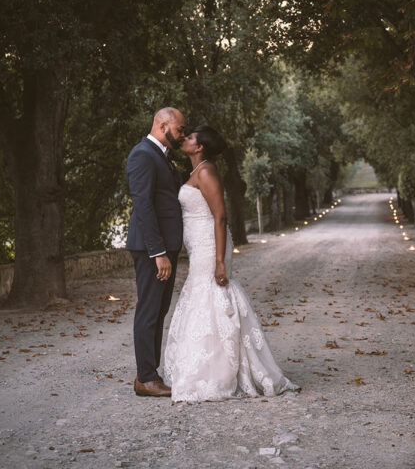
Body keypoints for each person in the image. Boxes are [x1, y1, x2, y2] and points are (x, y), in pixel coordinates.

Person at [163, 125, 299, 402]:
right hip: (198, 244)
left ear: (199, 146)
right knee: (202, 296)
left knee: (213, 292)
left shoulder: (207, 171)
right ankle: (206, 364)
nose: (184, 139)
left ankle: (217, 371)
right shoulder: (195, 171)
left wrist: (219, 260)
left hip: (210, 245)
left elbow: (220, 216)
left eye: (189, 138)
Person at [125, 107, 187, 397]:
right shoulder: (142, 154)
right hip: (153, 249)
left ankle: (153, 374)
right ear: (164, 126)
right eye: (181, 129)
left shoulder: (161, 156)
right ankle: (145, 378)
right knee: (149, 311)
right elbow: (144, 206)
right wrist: (158, 252)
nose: (183, 134)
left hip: (165, 246)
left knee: (159, 311)